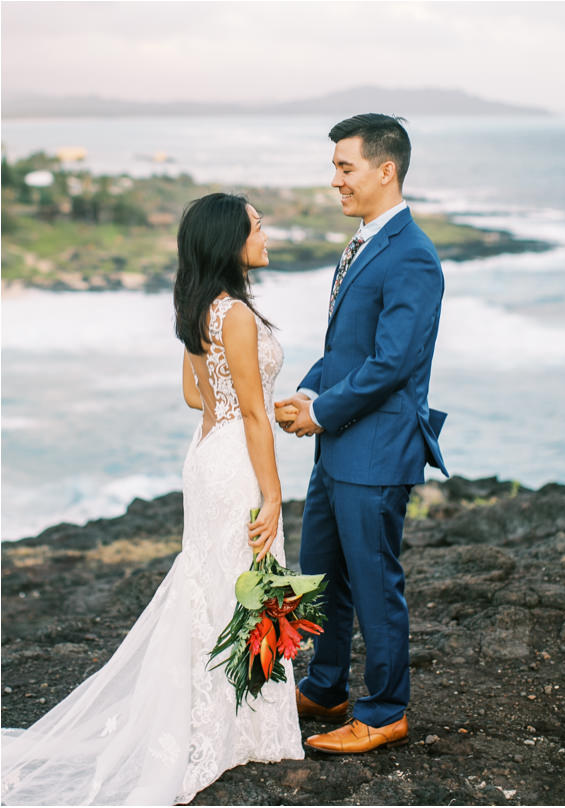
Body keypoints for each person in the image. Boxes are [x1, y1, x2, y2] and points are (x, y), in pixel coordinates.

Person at [1, 192, 303, 804]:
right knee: (247, 579)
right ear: (229, 242)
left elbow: (198, 398)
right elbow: (248, 411)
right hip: (237, 462)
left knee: (220, 583)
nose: (265, 232)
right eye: (256, 225)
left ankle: (230, 718)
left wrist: (247, 404)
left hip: (208, 455)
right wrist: (273, 494)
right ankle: (239, 727)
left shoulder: (201, 309)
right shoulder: (238, 316)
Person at [274, 113, 447, 755]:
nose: (335, 181)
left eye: (344, 168)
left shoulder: (413, 255)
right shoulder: (365, 244)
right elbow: (347, 349)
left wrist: (320, 413)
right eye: (335, 168)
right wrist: (311, 391)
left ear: (385, 170)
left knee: (375, 581)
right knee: (321, 570)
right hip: (340, 443)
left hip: (376, 449)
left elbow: (393, 362)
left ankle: (383, 712)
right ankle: (325, 687)